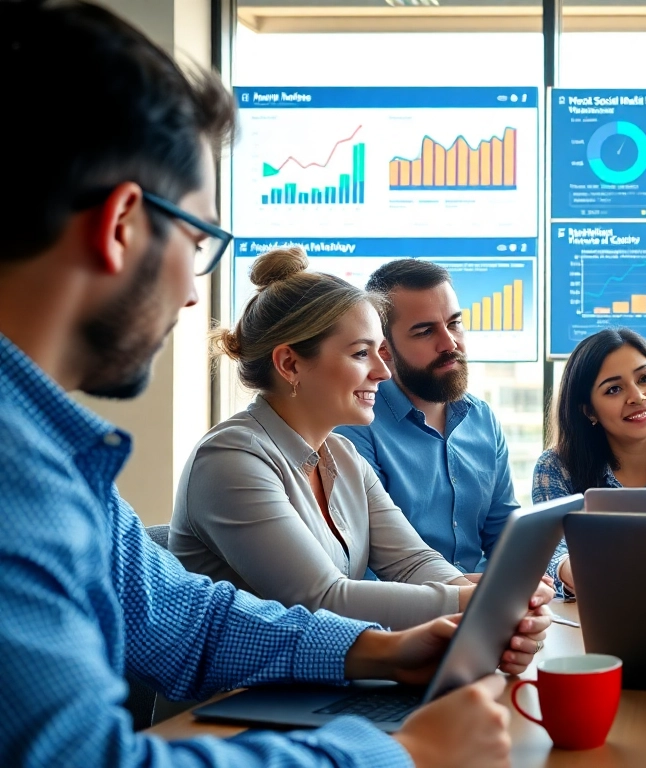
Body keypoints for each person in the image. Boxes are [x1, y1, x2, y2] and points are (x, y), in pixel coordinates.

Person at [0, 2, 512, 765]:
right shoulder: (17, 472)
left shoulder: (54, 452)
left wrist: (379, 650)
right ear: (122, 224)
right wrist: (402, 757)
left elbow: (186, 622)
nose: (192, 294)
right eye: (200, 241)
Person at [172, 248, 553, 642]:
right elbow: (321, 599)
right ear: (289, 365)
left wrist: (498, 602)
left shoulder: (341, 455)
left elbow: (411, 562)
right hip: (239, 699)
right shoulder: (229, 461)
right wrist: (484, 603)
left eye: (379, 351)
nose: (383, 371)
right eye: (360, 353)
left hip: (322, 686)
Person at [335, 259, 519, 575]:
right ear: (385, 349)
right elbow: (364, 561)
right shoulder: (356, 427)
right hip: (404, 616)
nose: (450, 343)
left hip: (484, 602)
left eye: (454, 323)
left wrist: (521, 581)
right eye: (424, 331)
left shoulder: (482, 418)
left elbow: (503, 531)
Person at [533, 328, 646, 598]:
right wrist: (573, 570)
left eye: (645, 378)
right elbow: (552, 550)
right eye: (614, 389)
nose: (638, 396)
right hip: (589, 613)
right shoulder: (556, 467)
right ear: (589, 410)